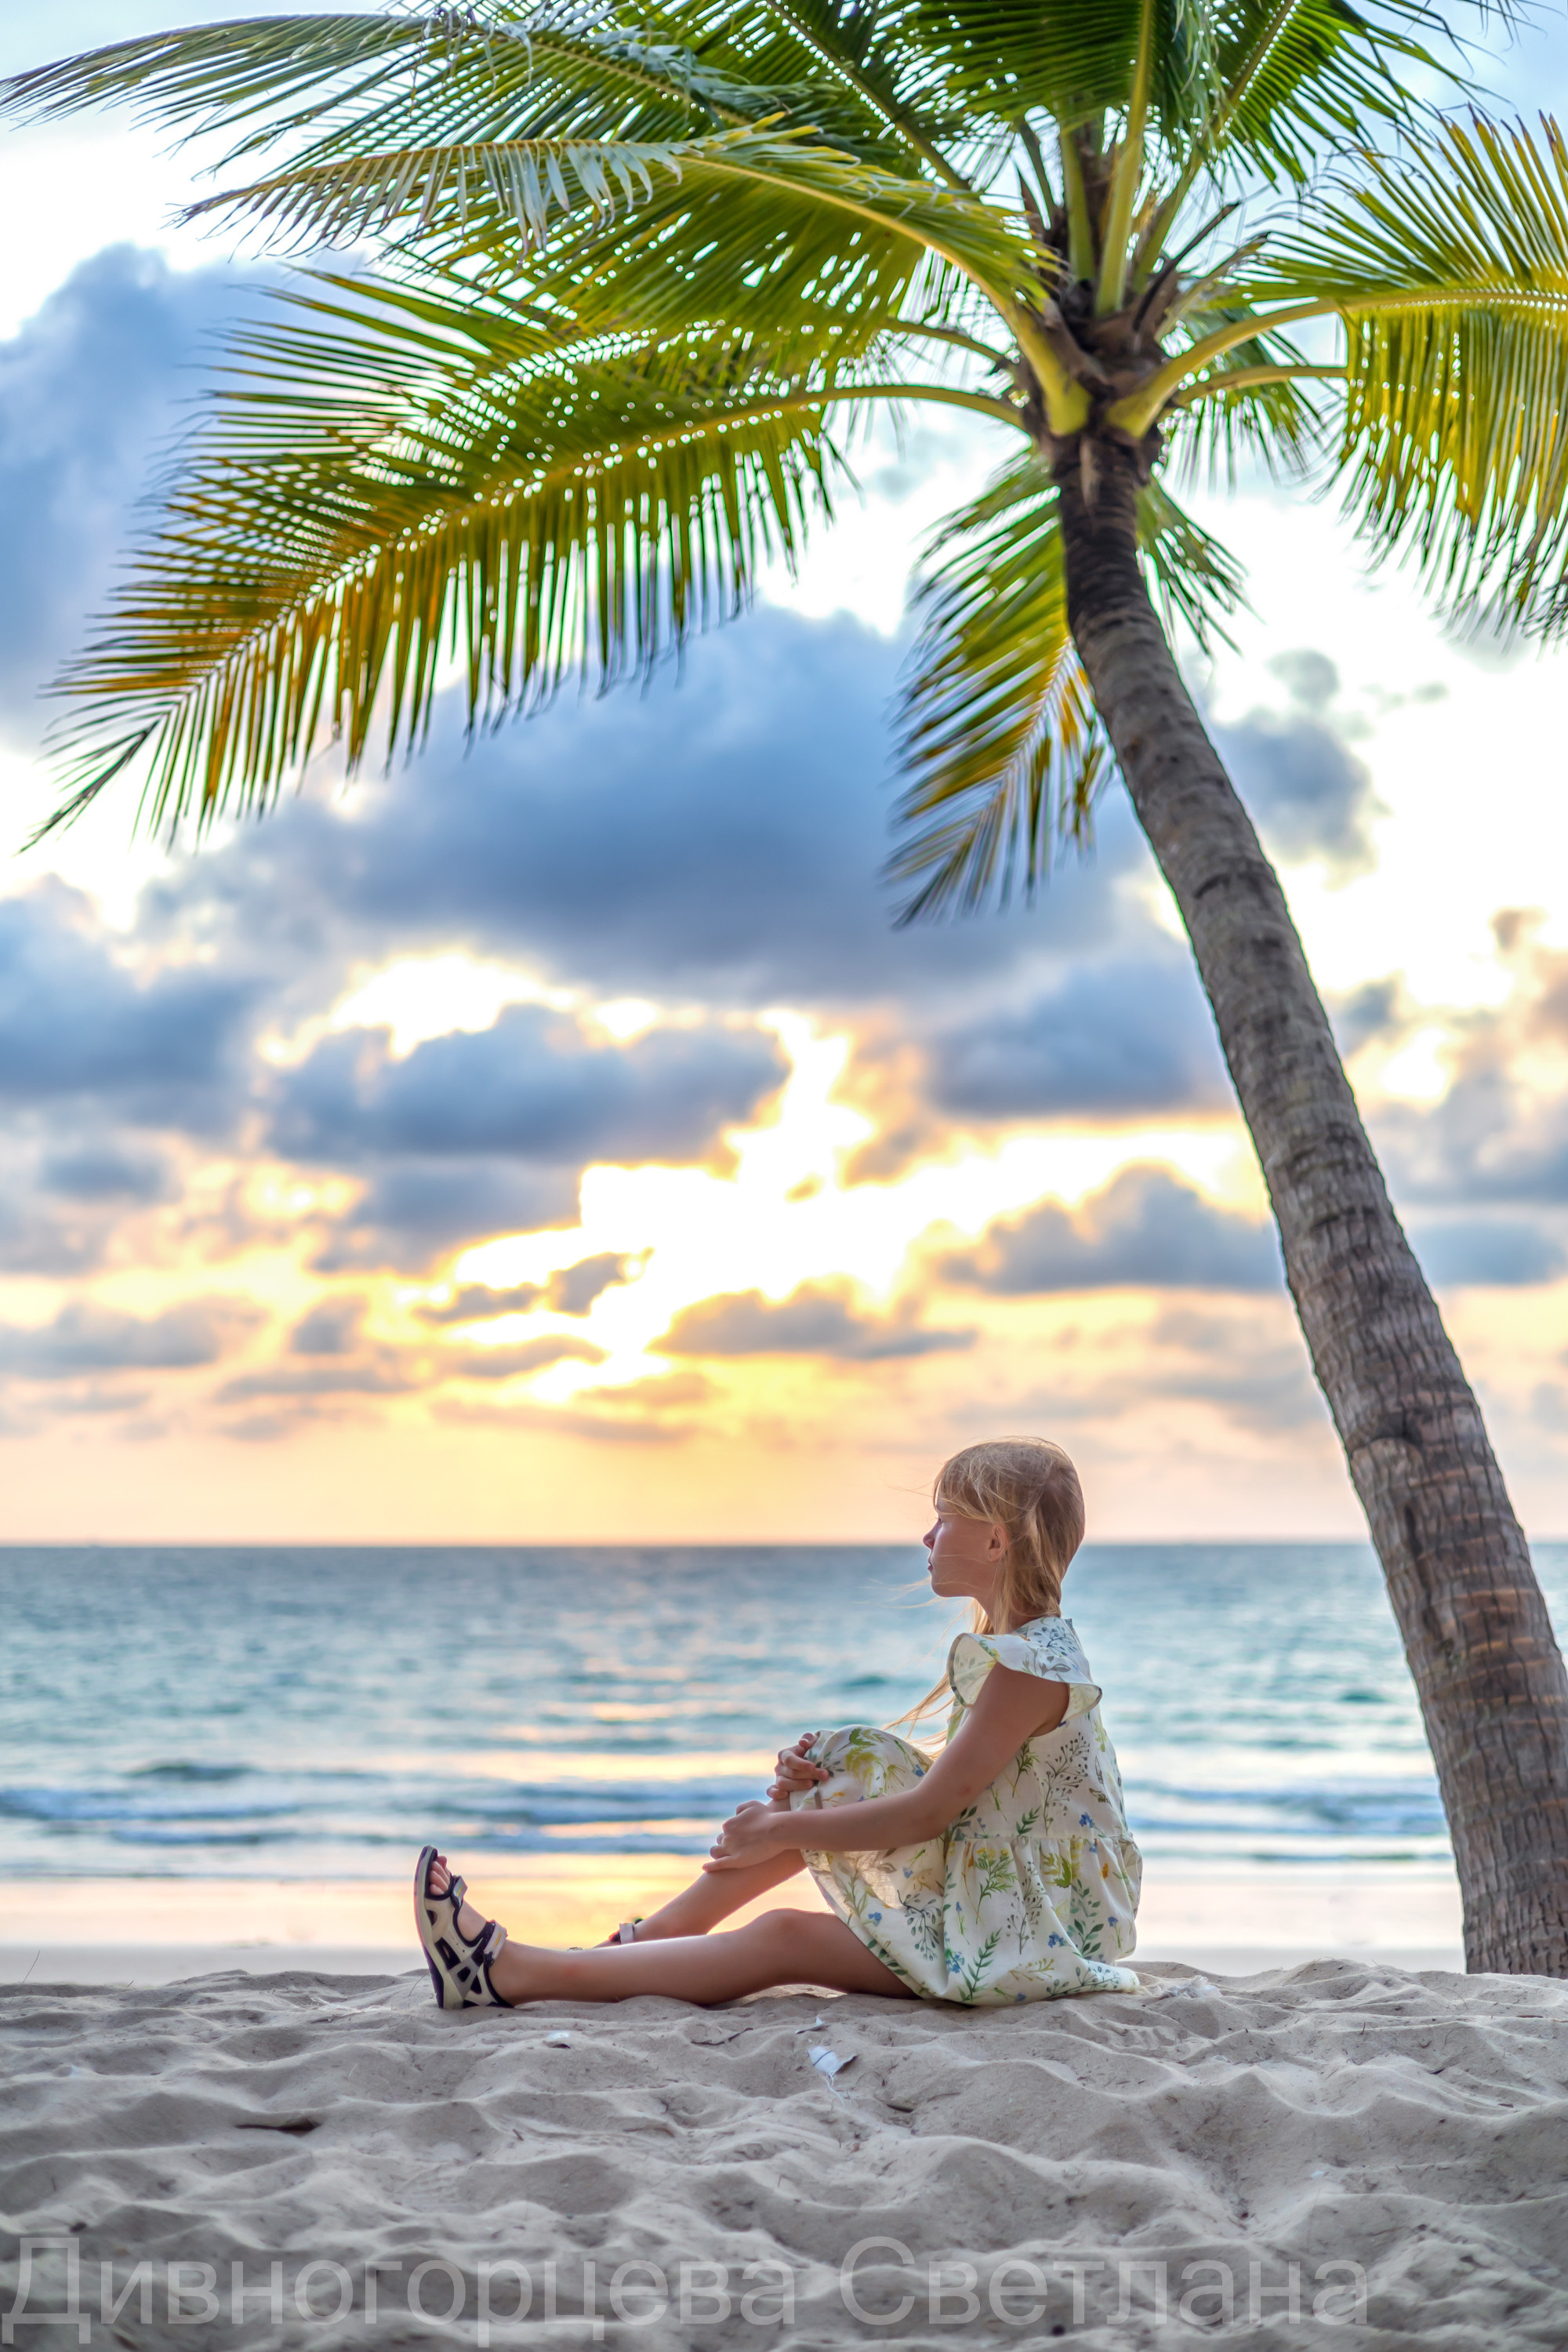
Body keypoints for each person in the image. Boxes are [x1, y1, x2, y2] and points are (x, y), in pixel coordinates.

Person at [415, 1436, 1142, 2009]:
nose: (926, 1536)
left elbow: (930, 1811)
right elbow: (988, 1789)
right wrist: (822, 1783)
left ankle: (512, 1973)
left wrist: (776, 1828)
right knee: (843, 1761)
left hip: (1034, 1934)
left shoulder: (1028, 1667)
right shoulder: (1026, 1653)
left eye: (944, 1516)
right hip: (1011, 1898)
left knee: (785, 1935)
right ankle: (624, 1954)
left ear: (995, 1541)